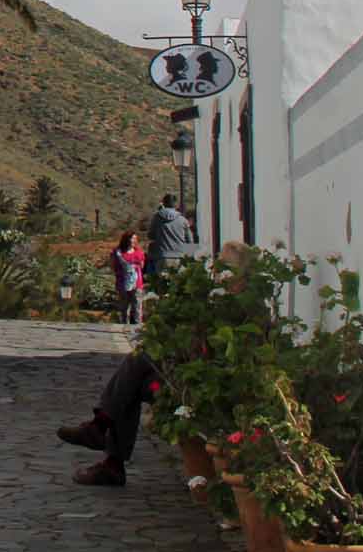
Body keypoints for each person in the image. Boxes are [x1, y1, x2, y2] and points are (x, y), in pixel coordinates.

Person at [58, 241, 254, 486]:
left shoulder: (244, 309)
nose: (218, 276)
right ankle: (108, 452)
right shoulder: (214, 302)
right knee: (138, 373)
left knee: (139, 364)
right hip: (190, 377)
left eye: (225, 270)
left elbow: (216, 354)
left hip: (209, 388)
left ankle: (104, 438)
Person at [147, 193, 196, 270]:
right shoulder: (183, 220)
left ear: (163, 203)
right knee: (177, 281)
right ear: (175, 205)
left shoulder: (157, 218)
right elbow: (190, 241)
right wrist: (191, 259)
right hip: (179, 257)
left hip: (162, 256)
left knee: (162, 281)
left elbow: (150, 235)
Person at [110, 232, 146, 324]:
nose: (133, 241)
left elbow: (142, 266)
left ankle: (137, 325)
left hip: (137, 283)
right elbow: (113, 266)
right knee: (124, 306)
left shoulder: (139, 252)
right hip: (123, 282)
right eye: (131, 238)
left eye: (135, 239)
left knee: (137, 305)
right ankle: (124, 325)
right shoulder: (117, 252)